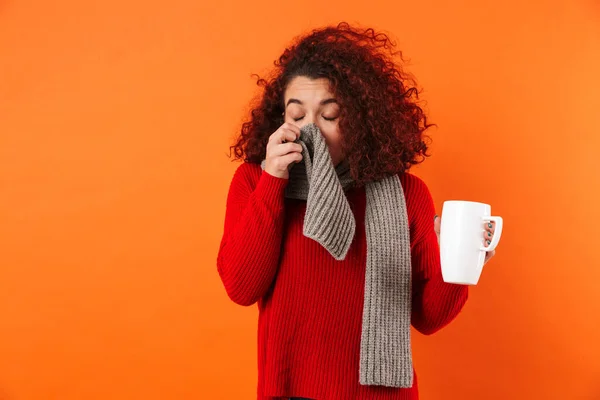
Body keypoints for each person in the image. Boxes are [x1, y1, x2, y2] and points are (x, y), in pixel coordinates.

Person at [217, 22, 497, 400]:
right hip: (288, 391)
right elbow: (241, 286)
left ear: (361, 120)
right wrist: (272, 180)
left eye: (329, 115)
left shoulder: (407, 193)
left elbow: (429, 319)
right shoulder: (255, 182)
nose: (309, 129)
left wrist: (461, 260)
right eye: (296, 116)